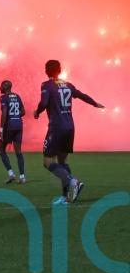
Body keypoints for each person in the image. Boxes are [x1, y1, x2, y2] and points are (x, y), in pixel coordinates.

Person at [33, 60, 104, 204]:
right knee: (62, 162)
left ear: (46, 71)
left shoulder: (46, 85)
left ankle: (74, 182)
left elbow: (44, 103)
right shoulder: (68, 85)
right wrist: (95, 103)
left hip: (56, 127)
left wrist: (37, 112)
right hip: (70, 127)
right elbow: (82, 95)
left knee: (47, 162)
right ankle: (65, 197)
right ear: (59, 70)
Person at [0, 80, 26, 184]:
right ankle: (22, 177)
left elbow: (4, 113)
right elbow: (23, 112)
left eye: (1, 86)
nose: (0, 88)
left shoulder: (3, 97)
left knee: (1, 150)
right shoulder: (17, 96)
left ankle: (11, 174)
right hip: (19, 125)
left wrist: (1, 129)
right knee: (18, 151)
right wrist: (16, 116)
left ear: (5, 87)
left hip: (9, 127)